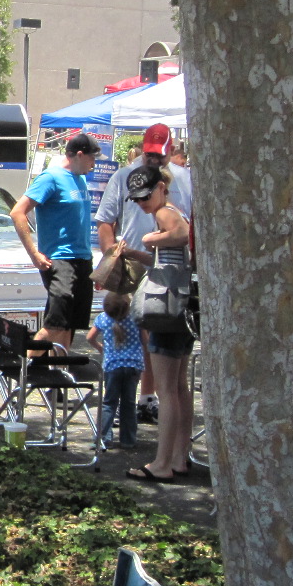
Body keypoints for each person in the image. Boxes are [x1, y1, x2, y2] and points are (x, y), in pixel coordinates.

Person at [95, 122, 192, 421]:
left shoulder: (184, 180)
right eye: (149, 153)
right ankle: (130, 395)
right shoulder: (125, 176)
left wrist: (156, 240)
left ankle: (149, 400)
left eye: (160, 155)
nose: (154, 159)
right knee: (129, 333)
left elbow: (184, 230)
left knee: (161, 347)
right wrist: (112, 260)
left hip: (170, 274)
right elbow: (105, 221)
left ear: (170, 151)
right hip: (135, 265)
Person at [121, 166, 194, 483]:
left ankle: (162, 463)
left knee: (166, 389)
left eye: (145, 196)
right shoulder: (170, 210)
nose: (142, 204)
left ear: (161, 188)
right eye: (136, 200)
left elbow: (180, 235)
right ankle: (179, 457)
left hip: (166, 307)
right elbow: (170, 256)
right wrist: (139, 251)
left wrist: (151, 238)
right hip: (181, 305)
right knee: (178, 387)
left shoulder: (166, 211)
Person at [10, 131, 99, 352]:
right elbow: (17, 212)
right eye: (92, 158)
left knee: (69, 325)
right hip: (60, 259)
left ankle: (58, 378)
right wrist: (34, 254)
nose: (94, 164)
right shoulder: (50, 178)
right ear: (79, 155)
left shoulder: (80, 179)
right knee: (55, 324)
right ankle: (23, 373)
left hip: (82, 258)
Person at [86, 289, 142, 450]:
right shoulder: (136, 319)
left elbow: (90, 337)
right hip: (133, 365)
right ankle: (128, 439)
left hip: (112, 365)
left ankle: (103, 438)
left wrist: (100, 347)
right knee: (129, 403)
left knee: (109, 403)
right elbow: (145, 340)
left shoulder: (103, 319)